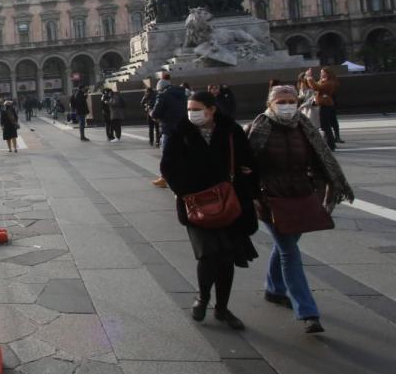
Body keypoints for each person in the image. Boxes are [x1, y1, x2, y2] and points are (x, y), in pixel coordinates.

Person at [247, 85, 355, 334]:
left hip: (301, 197)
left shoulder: (304, 128)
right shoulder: (259, 128)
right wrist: (251, 195)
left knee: (286, 245)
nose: (287, 105)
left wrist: (323, 186)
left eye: (291, 100)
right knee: (289, 252)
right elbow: (246, 164)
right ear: (270, 103)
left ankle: (274, 289)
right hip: (269, 198)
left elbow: (321, 159)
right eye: (281, 101)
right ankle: (307, 311)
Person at [161, 90, 259, 331]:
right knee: (208, 254)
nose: (192, 113)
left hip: (228, 203)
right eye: (190, 109)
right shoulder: (180, 131)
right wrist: (184, 191)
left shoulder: (231, 131)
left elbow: (248, 163)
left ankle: (222, 308)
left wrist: (246, 188)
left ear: (212, 109)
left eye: (197, 108)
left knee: (226, 256)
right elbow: (168, 167)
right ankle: (203, 298)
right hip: (196, 203)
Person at [150, 76, 187, 187]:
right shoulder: (183, 94)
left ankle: (164, 178)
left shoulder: (163, 95)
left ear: (160, 88)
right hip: (183, 128)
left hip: (169, 128)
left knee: (166, 154)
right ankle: (182, 176)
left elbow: (156, 113)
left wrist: (150, 112)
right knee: (182, 153)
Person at [303, 67, 342, 149]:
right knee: (325, 126)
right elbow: (314, 86)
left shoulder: (330, 83)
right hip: (323, 105)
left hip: (326, 105)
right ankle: (330, 144)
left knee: (326, 126)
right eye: (321, 72)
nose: (321, 74)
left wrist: (309, 77)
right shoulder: (325, 81)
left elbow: (317, 87)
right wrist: (309, 78)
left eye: (323, 72)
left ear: (328, 73)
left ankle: (331, 145)